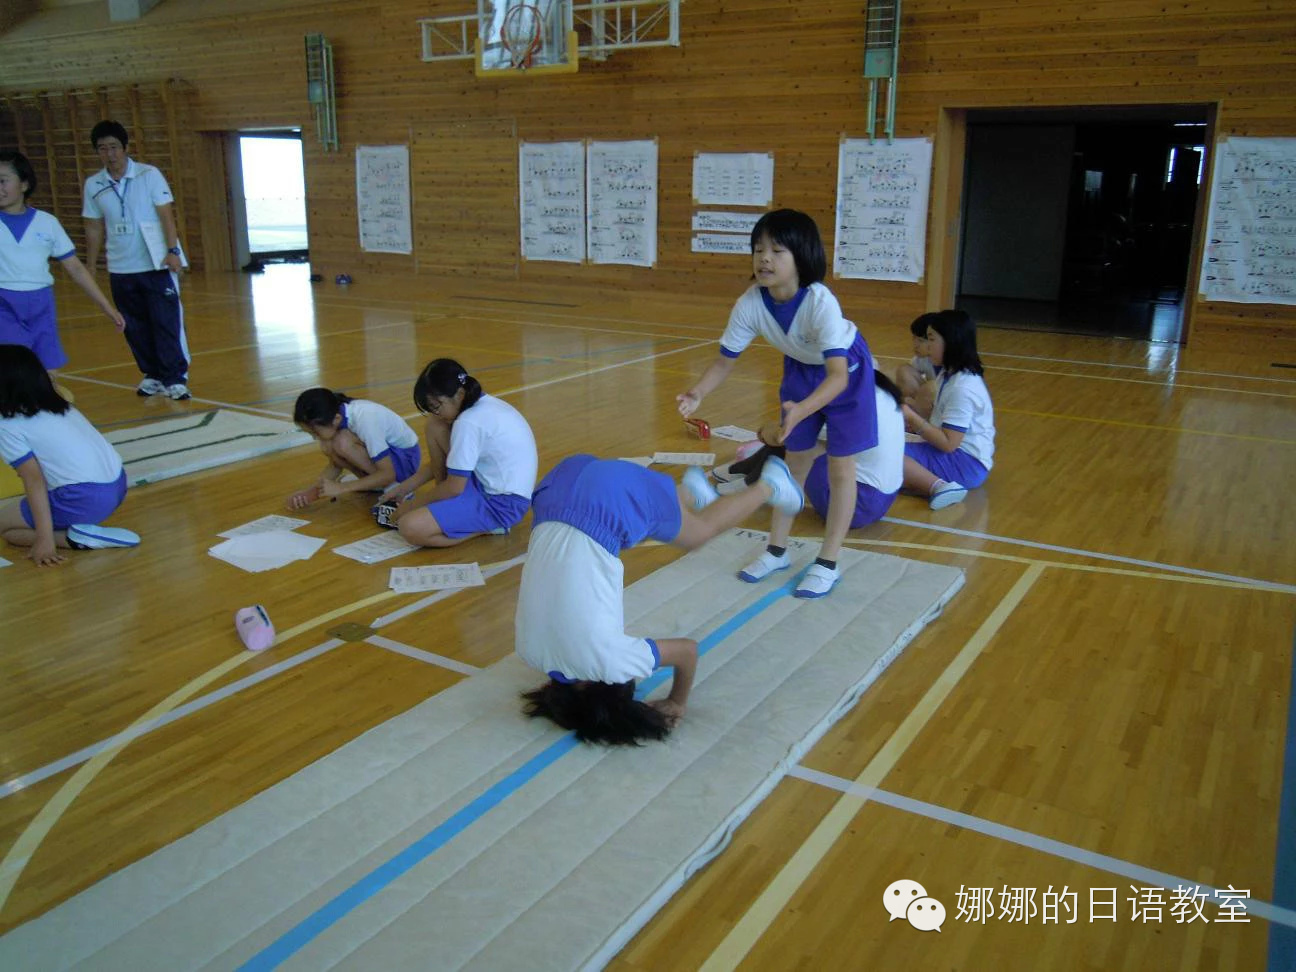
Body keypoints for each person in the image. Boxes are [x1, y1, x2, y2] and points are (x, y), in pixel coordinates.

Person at [516, 452, 804, 745]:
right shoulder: (529, 651)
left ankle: (770, 485)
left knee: (698, 535)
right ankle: (689, 493)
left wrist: (677, 701)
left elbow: (687, 652)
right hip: (558, 487)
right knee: (625, 529)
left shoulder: (611, 664)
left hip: (609, 495)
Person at [677, 208, 881, 599]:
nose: (765, 258)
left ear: (801, 257)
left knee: (841, 468)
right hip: (801, 370)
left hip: (848, 373)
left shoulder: (820, 302)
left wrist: (803, 409)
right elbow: (724, 361)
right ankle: (777, 549)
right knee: (792, 465)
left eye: (777, 250)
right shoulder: (751, 303)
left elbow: (837, 377)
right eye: (758, 249)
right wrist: (698, 392)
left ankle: (828, 561)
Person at [0, 344, 139, 566]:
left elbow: (34, 480)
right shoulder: (59, 403)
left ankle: (70, 538)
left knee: (5, 527)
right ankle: (76, 529)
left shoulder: (7, 424)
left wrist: (45, 540)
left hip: (83, 497)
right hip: (117, 484)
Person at [82, 120, 190, 400]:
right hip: (120, 267)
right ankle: (152, 374)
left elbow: (166, 214)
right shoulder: (93, 184)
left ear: (126, 148)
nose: (110, 154)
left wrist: (173, 251)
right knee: (133, 325)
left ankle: (175, 378)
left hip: (155, 262)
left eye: (115, 147)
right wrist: (91, 266)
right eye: (103, 149)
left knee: (165, 322)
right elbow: (93, 227)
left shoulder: (148, 175)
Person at [717, 371, 906, 530]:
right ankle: (745, 471)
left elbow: (782, 436)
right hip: (881, 500)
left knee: (798, 441)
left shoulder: (846, 400)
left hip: (857, 505)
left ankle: (752, 482)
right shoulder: (876, 389)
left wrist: (764, 431)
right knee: (803, 434)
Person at [381, 358, 537, 547]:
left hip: (501, 504)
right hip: (490, 486)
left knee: (410, 527)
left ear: (460, 394)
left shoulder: (468, 422)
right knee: (434, 425)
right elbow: (456, 464)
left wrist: (411, 506)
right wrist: (403, 488)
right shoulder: (482, 405)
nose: (436, 413)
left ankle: (491, 526)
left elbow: (455, 487)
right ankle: (446, 507)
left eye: (437, 406)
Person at [0, 151, 124, 374]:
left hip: (42, 304)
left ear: (25, 184)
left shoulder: (47, 223)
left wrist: (107, 307)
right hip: (4, 304)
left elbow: (75, 268)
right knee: (13, 372)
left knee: (49, 373)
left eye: (3, 181)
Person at [901, 309, 995, 510]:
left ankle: (939, 487)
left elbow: (948, 444)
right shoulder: (949, 373)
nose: (927, 345)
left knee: (885, 452)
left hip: (966, 465)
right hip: (961, 458)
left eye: (931, 339)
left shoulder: (962, 387)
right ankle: (915, 480)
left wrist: (911, 416)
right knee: (886, 442)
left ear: (951, 342)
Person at [286, 388, 421, 510]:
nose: (314, 438)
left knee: (341, 441)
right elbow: (335, 465)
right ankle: (375, 484)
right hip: (389, 463)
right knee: (328, 444)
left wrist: (342, 488)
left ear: (336, 419)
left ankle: (397, 489)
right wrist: (311, 493)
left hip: (405, 461)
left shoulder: (365, 419)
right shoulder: (338, 416)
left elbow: (388, 473)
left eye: (315, 432)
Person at [893, 311, 941, 418]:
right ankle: (913, 415)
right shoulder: (921, 360)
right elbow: (906, 383)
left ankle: (920, 418)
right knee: (904, 370)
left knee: (931, 387)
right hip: (926, 405)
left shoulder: (951, 363)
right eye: (914, 338)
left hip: (944, 410)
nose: (915, 345)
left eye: (920, 340)